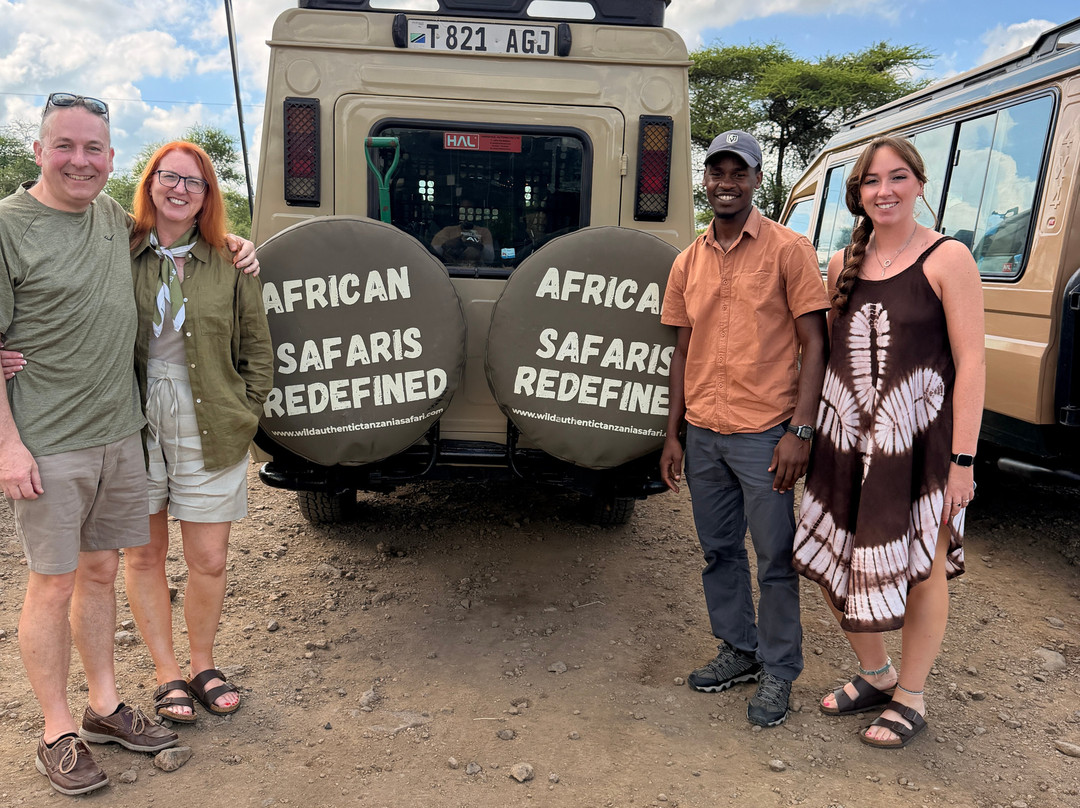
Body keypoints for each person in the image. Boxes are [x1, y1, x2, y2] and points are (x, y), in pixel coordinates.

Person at [0, 93, 258, 796]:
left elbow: (239, 320)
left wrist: (238, 246)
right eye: (65, 146)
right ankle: (59, 730)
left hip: (124, 432)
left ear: (110, 162)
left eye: (93, 150)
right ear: (40, 150)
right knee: (57, 582)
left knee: (108, 572)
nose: (79, 161)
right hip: (59, 438)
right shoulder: (18, 225)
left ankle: (108, 706)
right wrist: (7, 443)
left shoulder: (118, 225)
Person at [793, 136, 984, 749]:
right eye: (872, 182)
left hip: (918, 450)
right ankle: (876, 675)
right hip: (844, 442)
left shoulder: (948, 259)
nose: (886, 191)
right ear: (859, 194)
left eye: (897, 177)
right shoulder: (839, 263)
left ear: (920, 184)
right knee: (832, 560)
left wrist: (963, 462)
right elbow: (823, 358)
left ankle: (912, 694)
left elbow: (972, 364)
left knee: (921, 570)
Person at [659, 130, 829, 727]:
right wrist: (673, 434)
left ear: (757, 181)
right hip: (703, 434)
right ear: (704, 180)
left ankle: (780, 671)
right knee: (718, 551)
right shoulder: (687, 261)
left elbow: (815, 344)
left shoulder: (789, 250)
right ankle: (740, 649)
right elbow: (682, 351)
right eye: (716, 172)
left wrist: (799, 433)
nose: (726, 183)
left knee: (776, 557)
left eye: (739, 172)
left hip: (766, 436)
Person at [121, 142, 273, 723]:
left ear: (208, 194)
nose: (180, 189)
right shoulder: (121, 250)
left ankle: (203, 663)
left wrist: (247, 411)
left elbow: (257, 348)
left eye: (195, 181)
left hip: (209, 408)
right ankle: (166, 674)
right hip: (132, 414)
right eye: (169, 177)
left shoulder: (230, 262)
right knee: (145, 552)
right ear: (151, 182)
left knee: (208, 556)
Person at [431, 198, 495, 266]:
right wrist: (448, 244)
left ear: (475, 212)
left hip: (478, 272)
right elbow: (432, 254)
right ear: (458, 211)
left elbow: (490, 258)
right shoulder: (447, 231)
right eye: (463, 209)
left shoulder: (484, 232)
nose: (466, 212)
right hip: (451, 272)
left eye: (470, 209)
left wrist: (477, 246)